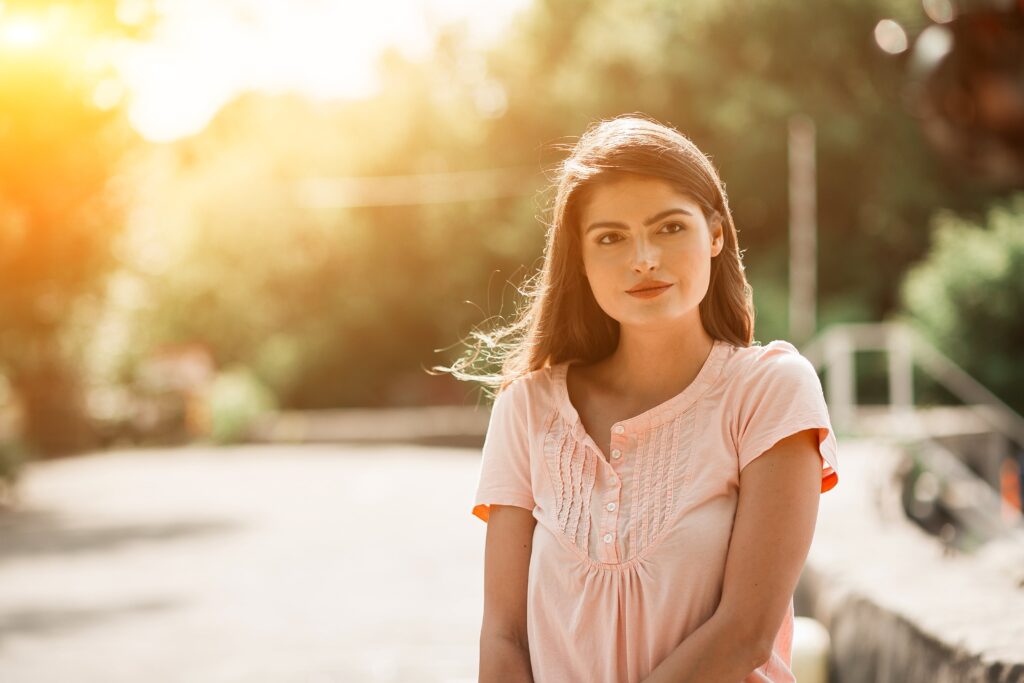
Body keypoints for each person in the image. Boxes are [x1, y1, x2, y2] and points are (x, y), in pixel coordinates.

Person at [446, 113, 839, 682]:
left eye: (670, 228)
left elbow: (745, 633)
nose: (643, 259)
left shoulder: (771, 390)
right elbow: (504, 636)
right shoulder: (527, 407)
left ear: (716, 234)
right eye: (610, 237)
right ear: (579, 258)